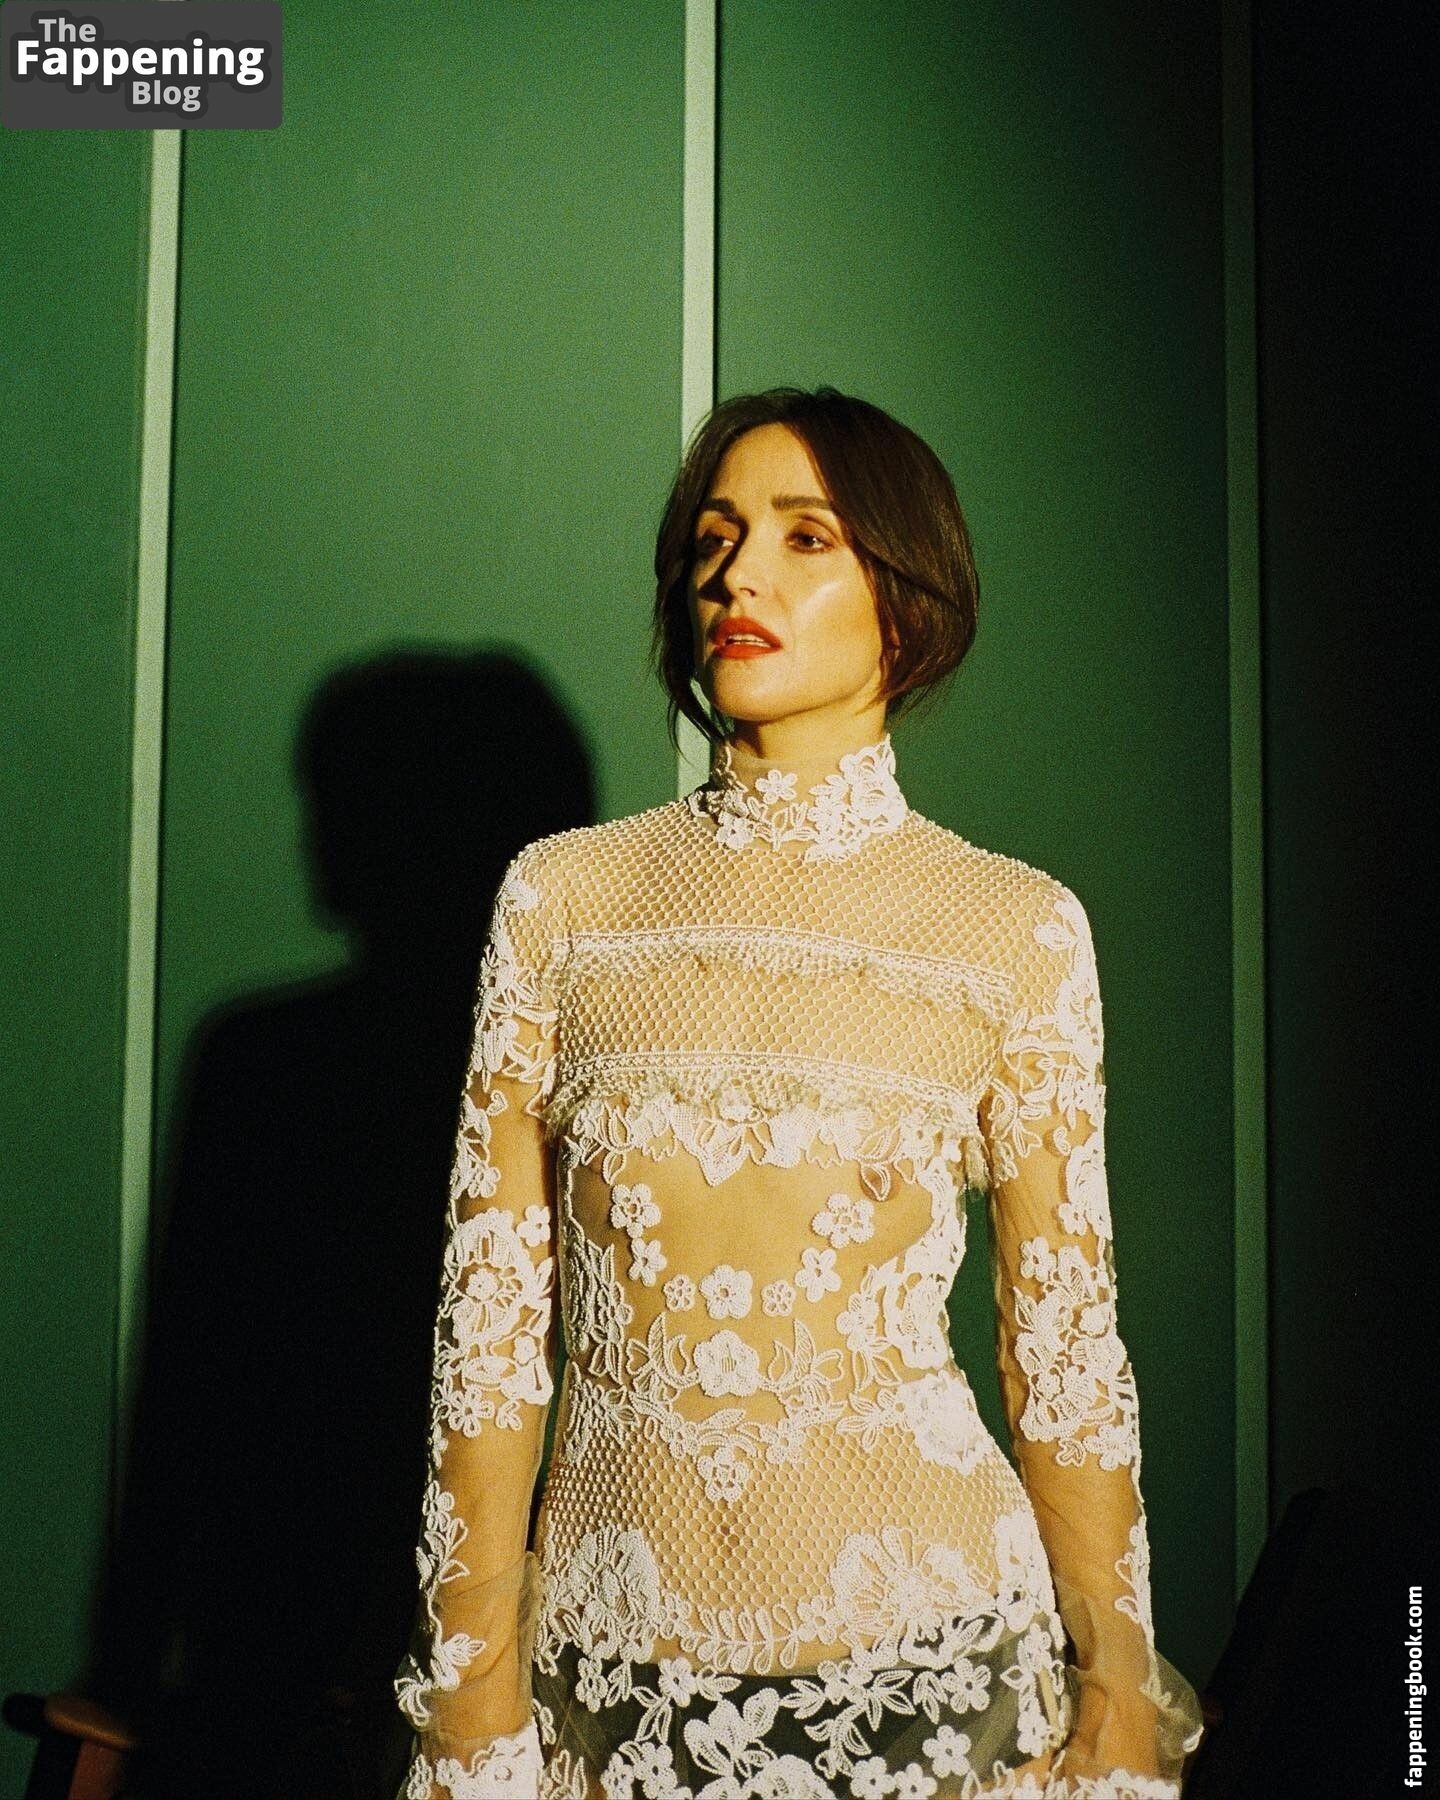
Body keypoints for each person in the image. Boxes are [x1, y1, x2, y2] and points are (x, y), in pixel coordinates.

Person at [393, 386, 1207, 1798]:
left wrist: (1120, 1696)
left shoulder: (1013, 930)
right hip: (608, 1683)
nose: (738, 576)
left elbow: (1066, 1361)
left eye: (804, 536)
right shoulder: (562, 902)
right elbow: (488, 1346)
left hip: (933, 1674)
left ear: (909, 599)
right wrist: (470, 1705)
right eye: (715, 539)